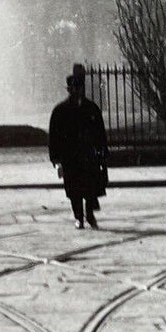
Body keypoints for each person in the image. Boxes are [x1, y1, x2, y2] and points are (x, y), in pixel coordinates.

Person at [48, 63, 109, 229]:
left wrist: (102, 153)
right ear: (69, 90)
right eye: (73, 88)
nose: (76, 91)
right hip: (70, 156)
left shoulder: (91, 109)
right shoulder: (60, 111)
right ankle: (79, 217)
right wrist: (56, 159)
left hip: (88, 155)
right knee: (74, 189)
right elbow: (54, 137)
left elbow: (100, 133)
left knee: (90, 188)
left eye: (79, 88)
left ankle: (89, 214)